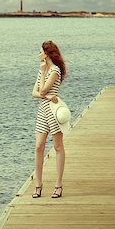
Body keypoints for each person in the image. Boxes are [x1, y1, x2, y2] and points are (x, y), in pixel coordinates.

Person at [32, 40, 67, 198]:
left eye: (40, 51)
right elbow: (34, 93)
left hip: (53, 111)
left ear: (46, 54)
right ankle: (38, 185)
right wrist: (48, 95)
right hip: (42, 111)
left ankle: (58, 185)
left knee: (58, 147)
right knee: (38, 147)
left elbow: (42, 89)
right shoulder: (42, 69)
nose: (38, 54)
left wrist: (45, 92)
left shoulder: (55, 71)